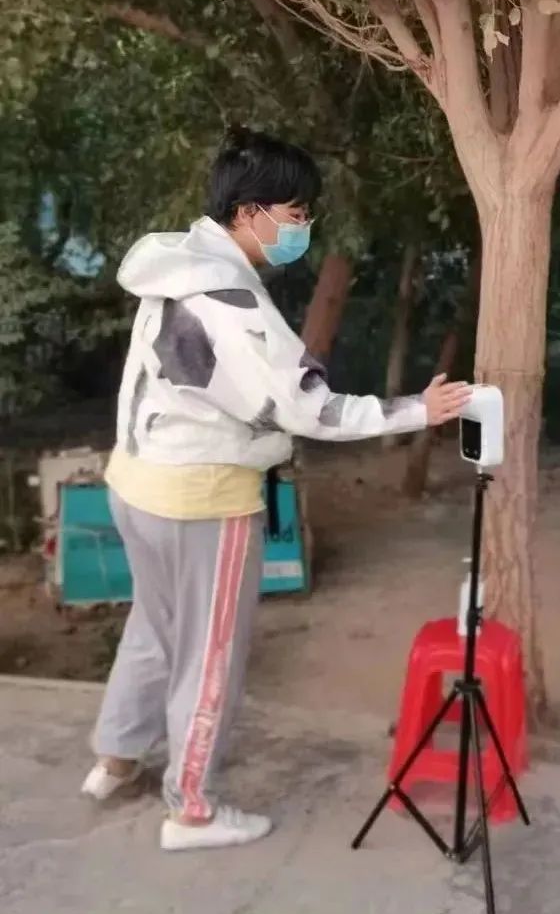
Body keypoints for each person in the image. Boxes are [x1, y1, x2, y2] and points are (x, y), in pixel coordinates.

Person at [79, 127, 470, 852]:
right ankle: (191, 810)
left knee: (155, 629)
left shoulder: (176, 266)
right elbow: (307, 408)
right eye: (296, 214)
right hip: (203, 498)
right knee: (210, 655)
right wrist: (417, 410)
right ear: (249, 213)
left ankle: (116, 758)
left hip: (137, 483)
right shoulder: (229, 300)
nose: (303, 228)